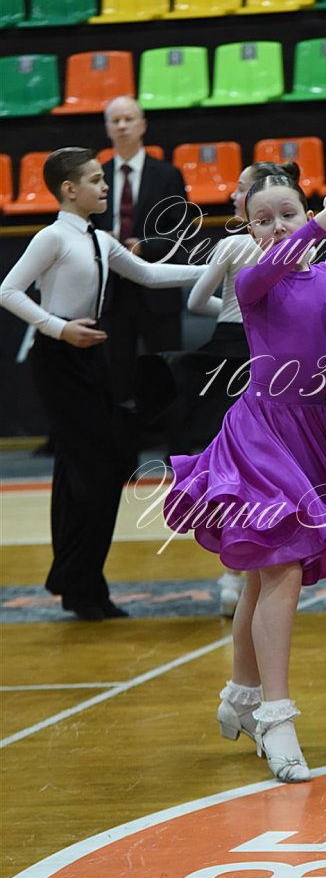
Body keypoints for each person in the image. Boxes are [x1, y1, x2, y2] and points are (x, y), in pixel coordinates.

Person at [163, 173, 326, 783]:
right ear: (248, 230)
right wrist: (319, 223)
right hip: (262, 433)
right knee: (283, 566)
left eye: (287, 213)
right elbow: (275, 263)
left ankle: (241, 695)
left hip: (311, 434)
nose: (277, 226)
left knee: (261, 575)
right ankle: (276, 715)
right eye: (262, 220)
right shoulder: (252, 279)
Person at [0, 148, 204, 621]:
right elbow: (8, 290)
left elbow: (149, 275)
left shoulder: (97, 238)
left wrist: (220, 269)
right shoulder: (52, 237)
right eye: (95, 179)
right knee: (92, 472)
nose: (105, 185)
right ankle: (80, 583)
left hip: (92, 355)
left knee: (101, 469)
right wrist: (58, 328)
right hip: (59, 359)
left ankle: (79, 581)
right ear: (69, 189)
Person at [186, 160, 302, 618]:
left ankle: (233, 575)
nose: (234, 195)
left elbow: (196, 301)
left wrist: (233, 307)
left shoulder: (233, 244)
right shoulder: (300, 247)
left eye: (240, 188)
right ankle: (262, 563)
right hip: (276, 360)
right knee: (272, 468)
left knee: (232, 467)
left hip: (230, 351)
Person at [93, 95, 188, 404]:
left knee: (166, 370)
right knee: (116, 375)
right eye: (115, 121)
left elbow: (181, 231)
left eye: (129, 119)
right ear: (107, 128)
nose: (122, 126)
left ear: (143, 125)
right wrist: (101, 239)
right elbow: (84, 228)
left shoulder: (167, 174)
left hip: (156, 288)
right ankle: (123, 434)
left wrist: (144, 247)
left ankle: (173, 434)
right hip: (112, 290)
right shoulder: (95, 176)